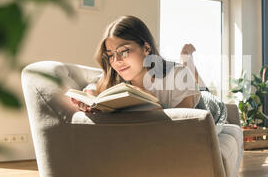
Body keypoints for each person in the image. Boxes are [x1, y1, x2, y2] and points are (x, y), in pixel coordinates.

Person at [71, 15, 227, 128]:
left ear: (146, 48)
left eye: (124, 51)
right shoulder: (114, 77)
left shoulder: (178, 75)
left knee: (203, 90)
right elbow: (93, 86)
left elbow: (184, 127)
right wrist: (90, 95)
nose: (116, 61)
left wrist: (151, 102)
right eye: (110, 55)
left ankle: (188, 61)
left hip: (208, 106)